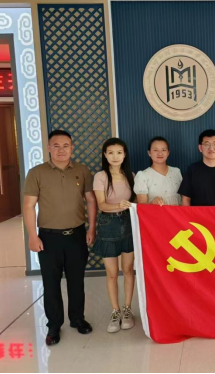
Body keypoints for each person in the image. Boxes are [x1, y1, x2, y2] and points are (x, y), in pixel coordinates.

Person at [24, 130, 96, 346]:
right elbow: (29, 205)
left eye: (66, 146)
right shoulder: (36, 173)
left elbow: (91, 200)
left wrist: (92, 228)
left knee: (76, 281)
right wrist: (32, 235)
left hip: (76, 235)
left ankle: (77, 319)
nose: (61, 150)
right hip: (48, 237)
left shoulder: (82, 171)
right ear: (48, 148)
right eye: (56, 146)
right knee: (51, 283)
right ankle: (54, 326)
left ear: (72, 148)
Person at [92, 138, 136, 333]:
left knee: (128, 269)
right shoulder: (100, 176)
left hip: (128, 223)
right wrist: (118, 205)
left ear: (124, 154)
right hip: (108, 225)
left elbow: (137, 202)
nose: (115, 156)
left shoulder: (131, 176)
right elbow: (101, 205)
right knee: (111, 273)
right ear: (105, 155)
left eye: (119, 152)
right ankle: (115, 311)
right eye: (110, 152)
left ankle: (127, 309)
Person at [134, 137, 182, 206]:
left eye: (164, 150)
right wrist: (152, 203)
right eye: (155, 150)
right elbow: (141, 205)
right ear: (149, 153)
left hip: (177, 212)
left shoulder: (176, 172)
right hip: (155, 213)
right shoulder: (142, 176)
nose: (160, 153)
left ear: (168, 153)